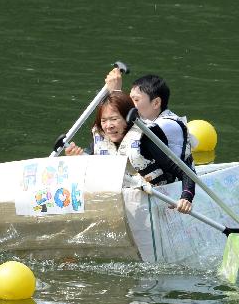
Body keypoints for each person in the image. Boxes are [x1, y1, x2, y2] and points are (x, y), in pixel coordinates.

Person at [65, 91, 195, 213]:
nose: (108, 126)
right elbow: (92, 171)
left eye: (114, 119)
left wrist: (186, 197)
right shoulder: (102, 140)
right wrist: (77, 159)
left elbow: (186, 171)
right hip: (122, 203)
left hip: (156, 201)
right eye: (104, 121)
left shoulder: (144, 140)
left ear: (127, 119)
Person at [104, 68, 197, 163]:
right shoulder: (143, 121)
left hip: (174, 177)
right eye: (130, 99)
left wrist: (115, 93)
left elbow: (146, 133)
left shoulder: (170, 125)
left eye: (136, 100)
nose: (130, 104)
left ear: (156, 103)